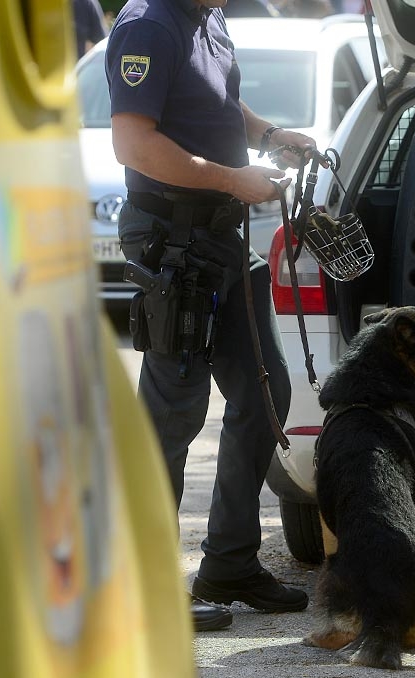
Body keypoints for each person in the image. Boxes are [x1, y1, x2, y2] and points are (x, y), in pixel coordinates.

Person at [105, 0, 316, 631]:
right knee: (173, 411)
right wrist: (232, 179)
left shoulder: (208, 15)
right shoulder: (148, 25)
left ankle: (230, 565)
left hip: (221, 238)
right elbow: (133, 143)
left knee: (264, 390)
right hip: (173, 242)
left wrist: (269, 136)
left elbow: (217, 104)